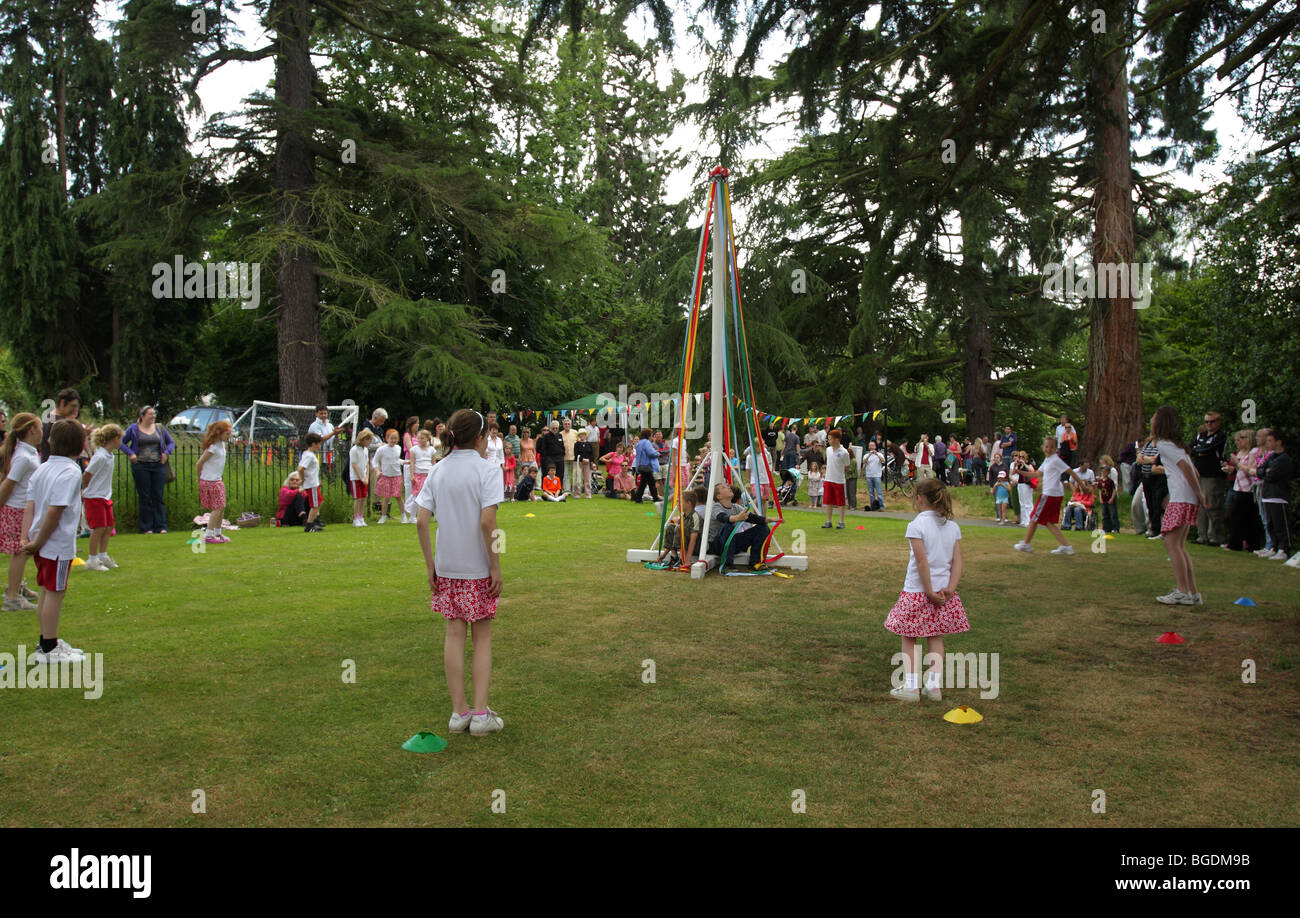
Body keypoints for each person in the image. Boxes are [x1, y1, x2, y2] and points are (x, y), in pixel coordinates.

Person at [413, 408, 505, 737]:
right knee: (481, 637)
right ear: (480, 438)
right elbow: (487, 522)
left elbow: (422, 520)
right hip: (476, 567)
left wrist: (430, 566)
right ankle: (480, 715)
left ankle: (459, 712)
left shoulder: (438, 471)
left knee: (453, 635)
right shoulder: (487, 470)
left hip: (448, 567)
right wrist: (495, 566)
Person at [884, 477, 967, 702]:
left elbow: (922, 562)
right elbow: (957, 561)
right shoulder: (952, 527)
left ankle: (911, 687)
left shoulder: (917, 525)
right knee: (935, 636)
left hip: (918, 591)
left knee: (909, 636)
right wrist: (950, 588)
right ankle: (933, 686)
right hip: (943, 592)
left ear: (919, 499)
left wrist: (928, 590)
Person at [22, 419, 88, 663]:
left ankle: (46, 642)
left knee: (46, 591)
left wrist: (26, 537)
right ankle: (49, 647)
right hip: (56, 545)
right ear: (80, 446)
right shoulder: (70, 472)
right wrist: (38, 541)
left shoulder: (42, 468)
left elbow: (30, 505)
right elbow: (54, 511)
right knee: (55, 593)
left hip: (43, 544)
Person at [1148, 406, 1209, 604]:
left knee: (1172, 544)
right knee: (1179, 545)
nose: (1151, 420)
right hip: (1185, 497)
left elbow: (1186, 469)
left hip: (1182, 498)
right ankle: (1193, 593)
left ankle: (1182, 591)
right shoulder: (1177, 446)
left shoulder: (1164, 444)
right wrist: (1196, 493)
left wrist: (1199, 494)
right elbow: (1194, 470)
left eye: (1154, 417)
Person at [1013, 437, 1088, 556]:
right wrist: (1019, 472)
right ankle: (1066, 547)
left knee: (1034, 517)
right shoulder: (1047, 460)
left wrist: (1082, 486)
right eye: (1046, 446)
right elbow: (1036, 474)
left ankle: (1026, 544)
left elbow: (1070, 472)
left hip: (1050, 494)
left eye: (1051, 447)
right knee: (1048, 522)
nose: (1048, 449)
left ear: (1055, 448)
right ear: (1043, 448)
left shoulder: (1055, 460)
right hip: (1053, 494)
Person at [1, 412, 41, 610]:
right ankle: (12, 597)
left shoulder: (29, 452)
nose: (42, 432)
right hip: (17, 510)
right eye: (40, 428)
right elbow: (8, 485)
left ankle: (16, 587)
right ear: (32, 430)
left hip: (23, 509)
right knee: (20, 552)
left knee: (23, 553)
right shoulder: (23, 457)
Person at [120, 406, 174, 534]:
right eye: (150, 414)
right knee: (145, 496)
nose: (153, 416)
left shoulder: (159, 428)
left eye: (154, 414)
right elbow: (121, 442)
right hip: (141, 465)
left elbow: (171, 442)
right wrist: (130, 453)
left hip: (158, 465)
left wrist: (166, 453)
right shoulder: (134, 429)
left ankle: (161, 526)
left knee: (158, 496)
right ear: (142, 416)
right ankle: (146, 527)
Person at [707, 481, 770, 571]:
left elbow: (754, 518)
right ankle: (727, 564)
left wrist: (770, 519)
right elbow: (723, 517)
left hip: (733, 542)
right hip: (717, 545)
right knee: (728, 526)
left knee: (762, 527)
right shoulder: (715, 507)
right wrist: (737, 517)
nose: (728, 487)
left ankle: (756, 562)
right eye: (724, 487)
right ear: (719, 496)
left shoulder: (736, 507)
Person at [1189, 410, 1228, 546]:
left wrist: (1201, 450)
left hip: (1213, 475)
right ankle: (1202, 535)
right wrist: (1200, 451)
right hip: (1199, 473)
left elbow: (1207, 449)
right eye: (1206, 422)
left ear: (1218, 422)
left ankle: (1215, 536)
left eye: (1212, 422)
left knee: (1212, 504)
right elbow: (1191, 448)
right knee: (1200, 506)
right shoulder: (1202, 435)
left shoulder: (1221, 436)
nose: (1209, 424)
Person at [195, 420, 232, 546]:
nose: (229, 436)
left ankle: (217, 532)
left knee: (221, 507)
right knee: (217, 508)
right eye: (227, 434)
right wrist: (199, 479)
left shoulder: (221, 445)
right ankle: (209, 535)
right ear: (219, 433)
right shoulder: (213, 447)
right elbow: (199, 463)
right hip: (210, 481)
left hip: (217, 479)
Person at [1224, 430, 1262, 552]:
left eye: (1242, 438)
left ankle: (1237, 544)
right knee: (1239, 516)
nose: (1239, 441)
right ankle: (1244, 543)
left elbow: (1250, 469)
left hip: (1247, 488)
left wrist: (1237, 463)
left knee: (1240, 517)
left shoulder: (1254, 452)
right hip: (1239, 487)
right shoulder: (1248, 452)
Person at [1257, 429, 1293, 561]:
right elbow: (1260, 471)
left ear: (1279, 442)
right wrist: (1265, 471)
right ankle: (1274, 546)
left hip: (1278, 495)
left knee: (1280, 524)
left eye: (1270, 441)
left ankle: (1284, 548)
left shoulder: (1284, 459)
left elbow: (1272, 475)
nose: (1267, 443)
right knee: (1271, 524)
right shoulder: (1271, 457)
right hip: (1267, 494)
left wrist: (1267, 472)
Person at [658, 491, 702, 568]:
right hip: (684, 544)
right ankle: (674, 557)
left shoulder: (695, 517)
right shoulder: (683, 515)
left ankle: (683, 559)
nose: (678, 504)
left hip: (696, 547)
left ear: (688, 503)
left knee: (679, 528)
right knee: (671, 527)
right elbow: (675, 535)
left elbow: (693, 540)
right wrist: (664, 555)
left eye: (680, 502)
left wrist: (687, 560)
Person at [1136, 433, 1168, 539]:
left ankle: (1157, 529)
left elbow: (1156, 459)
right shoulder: (1148, 443)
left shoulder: (1162, 444)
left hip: (1157, 478)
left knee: (1156, 503)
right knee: (1149, 504)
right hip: (1145, 477)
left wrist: (1145, 459)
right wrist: (1148, 459)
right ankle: (1152, 528)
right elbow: (1138, 460)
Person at [373, 429, 406, 524]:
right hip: (386, 476)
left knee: (398, 497)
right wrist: (377, 471)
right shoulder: (381, 449)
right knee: (386, 497)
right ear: (387, 438)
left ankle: (403, 516)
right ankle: (383, 517)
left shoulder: (398, 448)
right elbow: (374, 461)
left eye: (395, 438)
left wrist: (404, 462)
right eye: (391, 438)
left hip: (397, 475)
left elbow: (396, 460)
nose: (393, 440)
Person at [39, 388, 81, 461]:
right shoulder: (59, 423)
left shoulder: (49, 417)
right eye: (73, 406)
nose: (75, 410)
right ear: (62, 403)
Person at [821, 429, 850, 529]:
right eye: (828, 439)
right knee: (828, 501)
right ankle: (828, 521)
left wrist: (840, 474)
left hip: (839, 480)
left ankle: (841, 522)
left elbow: (847, 465)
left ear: (837, 439)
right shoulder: (828, 450)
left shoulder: (844, 452)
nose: (829, 441)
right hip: (828, 479)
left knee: (840, 502)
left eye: (831, 439)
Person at [298, 433, 326, 532]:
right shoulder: (309, 456)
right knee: (315, 505)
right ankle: (309, 525)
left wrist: (317, 480)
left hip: (314, 483)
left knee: (319, 502)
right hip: (311, 484)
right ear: (313, 444)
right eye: (319, 444)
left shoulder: (307, 454)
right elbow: (301, 469)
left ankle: (314, 521)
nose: (320, 446)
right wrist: (302, 480)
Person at [348, 429, 374, 526]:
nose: (369, 443)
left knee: (363, 497)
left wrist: (366, 477)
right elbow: (354, 465)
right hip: (355, 477)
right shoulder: (354, 450)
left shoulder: (366, 450)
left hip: (364, 477)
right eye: (368, 440)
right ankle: (355, 518)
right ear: (363, 439)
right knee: (357, 498)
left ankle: (361, 516)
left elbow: (367, 464)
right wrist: (361, 478)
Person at [632, 429, 660, 503]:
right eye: (651, 435)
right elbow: (650, 452)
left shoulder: (639, 443)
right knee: (650, 483)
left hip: (640, 465)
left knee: (644, 483)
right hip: (646, 465)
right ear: (648, 435)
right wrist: (657, 453)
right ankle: (655, 498)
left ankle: (638, 498)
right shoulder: (647, 442)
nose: (651, 436)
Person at [537, 421, 566, 490]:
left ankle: (559, 490)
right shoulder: (546, 436)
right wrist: (547, 457)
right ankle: (549, 490)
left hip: (560, 458)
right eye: (553, 428)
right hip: (550, 458)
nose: (555, 430)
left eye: (556, 428)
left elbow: (562, 446)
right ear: (550, 428)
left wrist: (563, 454)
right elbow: (543, 448)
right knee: (551, 475)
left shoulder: (560, 435)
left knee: (560, 475)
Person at [410, 429, 436, 502]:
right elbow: (412, 462)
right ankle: (413, 511)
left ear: (427, 438)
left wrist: (434, 474)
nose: (420, 440)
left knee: (428, 493)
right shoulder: (414, 449)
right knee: (417, 493)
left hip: (428, 474)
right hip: (418, 474)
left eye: (422, 438)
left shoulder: (431, 449)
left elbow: (433, 463)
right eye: (418, 438)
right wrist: (412, 475)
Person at [1096, 455, 1120, 534]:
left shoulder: (1112, 470)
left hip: (1111, 494)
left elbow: (1114, 485)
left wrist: (1113, 497)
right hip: (1104, 495)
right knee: (1105, 513)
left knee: (1113, 512)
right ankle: (1106, 528)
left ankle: (1115, 528)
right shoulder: (1103, 471)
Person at [863, 440, 884, 511]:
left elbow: (883, 460)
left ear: (875, 446)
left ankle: (881, 506)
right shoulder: (866, 455)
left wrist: (877, 454)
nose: (871, 447)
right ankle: (873, 506)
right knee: (871, 492)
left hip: (877, 475)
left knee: (879, 492)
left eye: (872, 445)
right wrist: (869, 455)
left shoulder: (879, 454)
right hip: (869, 475)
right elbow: (864, 462)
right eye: (870, 445)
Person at [574, 429, 594, 498]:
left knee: (587, 479)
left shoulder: (589, 444)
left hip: (587, 464)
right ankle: (577, 494)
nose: (582, 435)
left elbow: (592, 454)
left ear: (586, 435)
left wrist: (589, 460)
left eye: (584, 434)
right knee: (577, 478)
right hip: (578, 463)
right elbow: (576, 454)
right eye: (581, 434)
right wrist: (582, 459)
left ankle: (588, 494)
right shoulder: (576, 444)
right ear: (579, 436)